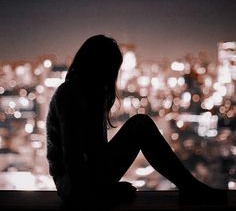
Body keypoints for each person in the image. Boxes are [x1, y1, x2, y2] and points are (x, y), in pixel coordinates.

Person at [46, 35, 227, 206]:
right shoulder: (69, 94)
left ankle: (190, 188)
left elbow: (96, 153)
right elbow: (73, 155)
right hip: (73, 185)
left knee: (141, 124)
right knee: (141, 125)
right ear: (96, 65)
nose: (111, 76)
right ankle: (191, 188)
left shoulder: (90, 95)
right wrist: (96, 192)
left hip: (84, 179)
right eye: (109, 68)